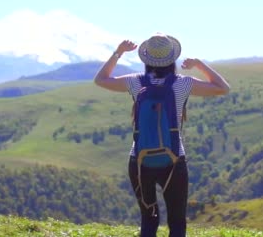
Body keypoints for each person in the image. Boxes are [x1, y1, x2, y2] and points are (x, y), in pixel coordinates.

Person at [94, 33, 230, 237]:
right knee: (176, 221)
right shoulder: (183, 83)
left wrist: (118, 52)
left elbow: (101, 80)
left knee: (149, 219)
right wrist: (199, 65)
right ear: (172, 58)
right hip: (174, 159)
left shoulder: (135, 82)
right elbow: (223, 88)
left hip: (139, 160)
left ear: (146, 59)